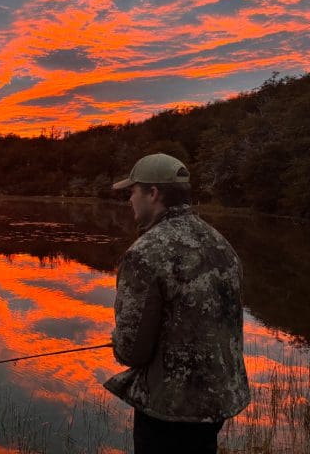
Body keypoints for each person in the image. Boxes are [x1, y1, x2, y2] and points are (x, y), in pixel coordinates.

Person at [104, 153, 250, 454]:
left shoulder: (144, 254)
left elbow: (132, 350)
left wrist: (117, 341)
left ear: (153, 194)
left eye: (133, 191)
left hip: (169, 408)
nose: (129, 199)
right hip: (217, 400)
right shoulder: (220, 244)